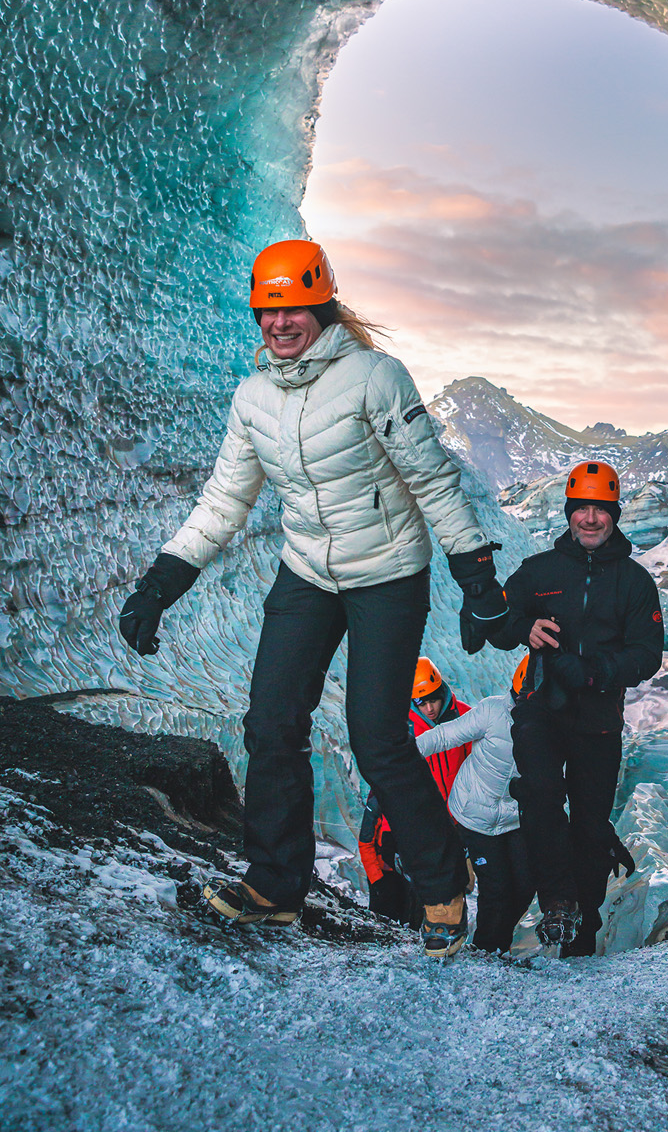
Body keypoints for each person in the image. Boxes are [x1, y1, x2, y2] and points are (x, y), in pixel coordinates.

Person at [118, 238, 506, 956]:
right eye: (267, 310)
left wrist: (477, 579)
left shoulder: (375, 378)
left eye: (292, 306)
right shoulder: (253, 398)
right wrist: (160, 582)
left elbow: (431, 480)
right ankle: (274, 887)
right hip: (307, 573)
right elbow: (224, 500)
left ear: (320, 304)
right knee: (270, 722)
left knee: (377, 737)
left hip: (387, 572)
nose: (279, 323)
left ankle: (441, 882)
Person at [490, 460, 663, 955]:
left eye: (600, 509)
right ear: (569, 513)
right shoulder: (540, 571)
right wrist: (522, 629)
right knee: (539, 792)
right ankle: (558, 902)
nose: (589, 519)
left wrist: (594, 672)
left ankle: (581, 934)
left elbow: (647, 654)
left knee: (590, 825)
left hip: (598, 718)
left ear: (614, 515)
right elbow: (497, 621)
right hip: (542, 706)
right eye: (581, 508)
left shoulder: (634, 582)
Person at [415, 654, 535, 955]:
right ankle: (486, 950)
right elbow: (444, 736)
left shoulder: (551, 725)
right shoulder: (492, 711)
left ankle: (497, 944)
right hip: (474, 816)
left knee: (524, 884)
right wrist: (398, 758)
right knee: (496, 889)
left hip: (513, 817)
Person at [359, 657, 470, 925]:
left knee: (438, 906)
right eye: (422, 702)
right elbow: (380, 796)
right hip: (405, 831)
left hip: (450, 827)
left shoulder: (466, 718)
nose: (430, 708)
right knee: (394, 910)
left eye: (433, 699)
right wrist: (376, 875)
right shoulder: (400, 727)